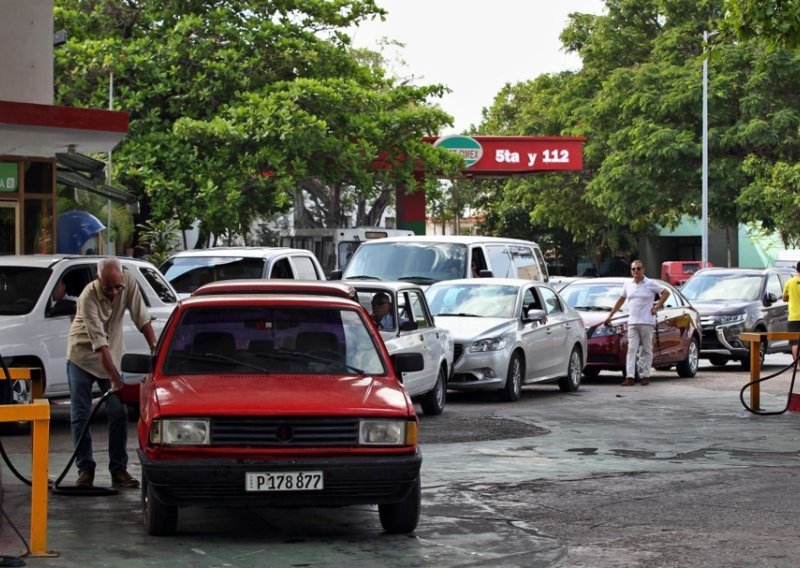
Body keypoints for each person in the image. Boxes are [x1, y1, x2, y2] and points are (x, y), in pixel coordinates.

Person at [66, 257, 158, 488]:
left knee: (118, 413)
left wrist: (155, 349)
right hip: (82, 357)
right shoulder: (88, 297)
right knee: (81, 416)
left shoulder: (127, 281)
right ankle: (85, 470)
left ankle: (119, 470)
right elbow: (99, 344)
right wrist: (116, 381)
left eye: (118, 287)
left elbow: (141, 317)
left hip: (112, 356)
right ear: (99, 280)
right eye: (109, 288)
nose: (115, 292)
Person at [603, 260, 670, 386]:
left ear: (643, 270)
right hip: (632, 322)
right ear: (631, 271)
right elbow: (621, 300)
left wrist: (657, 306)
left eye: (638, 269)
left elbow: (666, 292)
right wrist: (610, 315)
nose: (636, 271)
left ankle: (646, 376)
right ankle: (630, 377)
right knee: (631, 350)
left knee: (647, 350)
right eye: (633, 269)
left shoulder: (650, 283)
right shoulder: (628, 285)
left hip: (646, 322)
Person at [782, 261, 800, 367]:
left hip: (793, 317)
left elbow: (784, 298)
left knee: (794, 342)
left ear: (797, 270)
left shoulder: (790, 282)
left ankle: (797, 365)